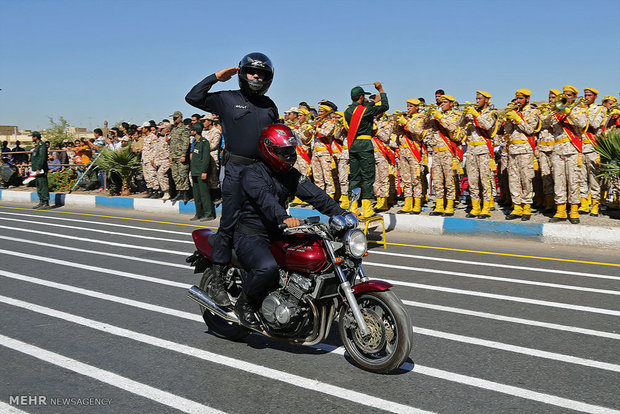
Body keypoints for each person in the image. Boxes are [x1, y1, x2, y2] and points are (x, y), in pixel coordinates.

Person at [231, 124, 346, 328]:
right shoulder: (252, 174)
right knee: (267, 267)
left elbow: (316, 195)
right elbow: (265, 199)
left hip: (280, 231)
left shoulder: (290, 175)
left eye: (291, 150)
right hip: (253, 234)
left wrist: (342, 214)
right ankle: (244, 305)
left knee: (319, 252)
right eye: (284, 152)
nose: (289, 155)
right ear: (268, 149)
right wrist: (283, 217)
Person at [185, 52, 279, 296]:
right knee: (229, 222)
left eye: (262, 74)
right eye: (251, 72)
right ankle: (217, 279)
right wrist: (216, 77)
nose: (256, 76)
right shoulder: (227, 99)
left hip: (264, 171)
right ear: (242, 73)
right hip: (236, 168)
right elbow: (193, 97)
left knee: (270, 219)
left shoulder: (269, 105)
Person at [344, 82, 389, 218]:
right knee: (368, 177)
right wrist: (380, 90)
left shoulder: (347, 111)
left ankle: (353, 207)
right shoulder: (366, 109)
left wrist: (371, 103)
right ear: (361, 97)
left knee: (355, 178)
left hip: (353, 145)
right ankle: (367, 208)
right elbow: (385, 106)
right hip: (364, 145)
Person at [547, 85, 589, 224]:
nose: (566, 97)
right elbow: (545, 123)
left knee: (573, 181)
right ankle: (560, 210)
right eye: (564, 95)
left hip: (572, 149)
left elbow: (582, 124)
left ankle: (574, 210)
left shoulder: (580, 109)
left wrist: (568, 112)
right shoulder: (557, 111)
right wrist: (554, 109)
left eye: (569, 95)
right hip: (557, 149)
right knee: (559, 181)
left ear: (575, 97)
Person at [504, 88, 540, 221]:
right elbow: (507, 132)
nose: (518, 101)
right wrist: (508, 120)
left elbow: (530, 130)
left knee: (526, 179)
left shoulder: (533, 112)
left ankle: (526, 207)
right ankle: (517, 207)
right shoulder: (514, 112)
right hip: (513, 150)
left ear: (527, 99)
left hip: (525, 150)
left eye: (520, 98)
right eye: (517, 98)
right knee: (513, 180)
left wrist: (518, 120)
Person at [460, 90, 497, 219]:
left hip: (483, 150)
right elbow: (460, 126)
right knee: (472, 180)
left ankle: (486, 207)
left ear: (486, 100)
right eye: (476, 98)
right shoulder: (472, 114)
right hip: (471, 150)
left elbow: (487, 126)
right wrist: (464, 115)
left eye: (479, 99)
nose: (477, 101)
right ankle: (475, 207)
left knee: (485, 180)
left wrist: (476, 115)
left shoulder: (492, 113)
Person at [426, 94, 462, 216]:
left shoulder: (456, 116)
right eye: (441, 102)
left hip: (448, 152)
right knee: (437, 180)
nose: (441, 104)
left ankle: (450, 205)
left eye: (444, 102)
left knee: (449, 180)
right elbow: (424, 128)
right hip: (436, 152)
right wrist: (427, 115)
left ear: (451, 104)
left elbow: (453, 129)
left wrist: (440, 117)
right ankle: (439, 205)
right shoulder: (436, 117)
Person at [396, 98, 426, 214]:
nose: (408, 108)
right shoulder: (407, 118)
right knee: (405, 179)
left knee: (416, 179)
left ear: (417, 107)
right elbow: (396, 133)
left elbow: (420, 132)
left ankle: (417, 204)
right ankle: (407, 203)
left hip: (414, 152)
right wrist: (397, 124)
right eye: (407, 106)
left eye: (411, 106)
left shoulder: (422, 118)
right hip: (403, 152)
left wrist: (406, 123)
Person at [580, 87, 606, 216]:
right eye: (585, 95)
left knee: (593, 177)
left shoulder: (600, 109)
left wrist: (584, 113)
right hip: (580, 147)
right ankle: (584, 203)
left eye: (589, 95)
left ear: (595, 97)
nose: (586, 97)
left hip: (593, 147)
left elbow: (595, 124)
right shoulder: (581, 109)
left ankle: (595, 204)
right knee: (581, 177)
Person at [189, 123, 215, 221]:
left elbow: (205, 159)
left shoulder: (204, 142)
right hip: (195, 171)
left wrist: (204, 171)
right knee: (196, 194)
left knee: (204, 193)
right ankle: (199, 213)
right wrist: (192, 171)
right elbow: (194, 159)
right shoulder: (195, 142)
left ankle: (209, 214)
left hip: (201, 171)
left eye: (192, 130)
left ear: (195, 131)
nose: (190, 132)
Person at [169, 111, 192, 203]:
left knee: (183, 175)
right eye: (173, 118)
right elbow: (172, 144)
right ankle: (179, 193)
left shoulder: (184, 130)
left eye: (176, 118)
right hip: (174, 156)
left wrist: (183, 155)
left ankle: (185, 194)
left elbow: (186, 143)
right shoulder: (174, 130)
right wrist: (170, 155)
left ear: (180, 118)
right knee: (175, 175)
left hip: (181, 156)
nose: (174, 120)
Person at [30, 131, 50, 209]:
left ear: (36, 137)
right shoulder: (37, 145)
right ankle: (41, 201)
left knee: (43, 184)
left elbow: (42, 158)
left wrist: (39, 168)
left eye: (33, 137)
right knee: (39, 185)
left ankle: (46, 202)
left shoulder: (42, 145)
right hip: (36, 169)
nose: (32, 138)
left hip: (41, 169)